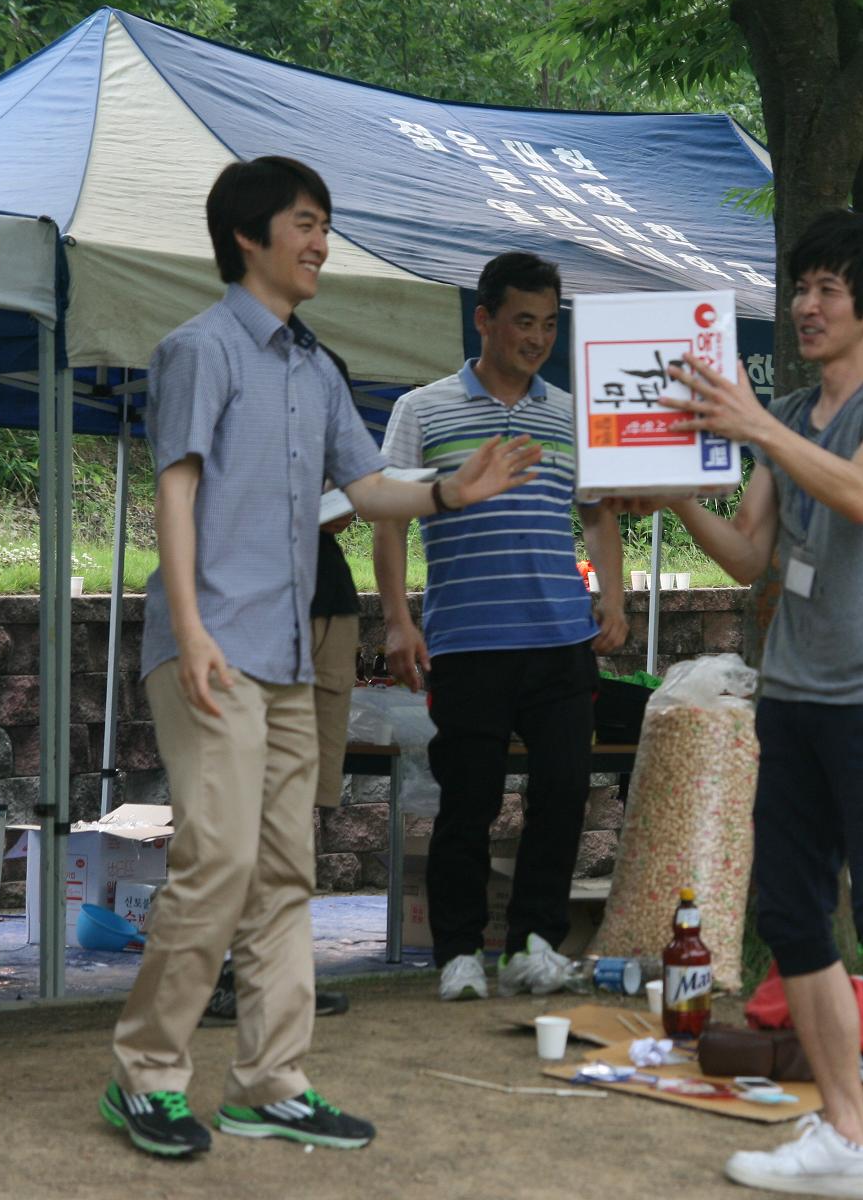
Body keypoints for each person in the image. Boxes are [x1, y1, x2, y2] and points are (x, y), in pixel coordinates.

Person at [102, 156, 540, 1160]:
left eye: (325, 224)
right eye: (305, 222)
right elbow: (176, 490)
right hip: (212, 646)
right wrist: (191, 629)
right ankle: (145, 1076)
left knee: (283, 872)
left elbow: (367, 485)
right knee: (217, 862)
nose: (321, 242)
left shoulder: (315, 366)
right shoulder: (200, 349)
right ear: (247, 235)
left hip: (290, 656)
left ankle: (270, 1083)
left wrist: (450, 492)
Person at [644, 210, 863, 1200]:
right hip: (793, 697)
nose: (805, 306)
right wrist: (673, 493)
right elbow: (748, 556)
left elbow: (861, 492)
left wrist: (759, 430)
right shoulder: (783, 413)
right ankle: (846, 1134)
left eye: (827, 290)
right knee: (789, 912)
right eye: (799, 287)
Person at [373, 251, 627, 1003]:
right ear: (484, 320)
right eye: (523, 321)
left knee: (564, 792)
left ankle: (534, 946)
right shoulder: (422, 410)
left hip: (560, 640)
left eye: (548, 324)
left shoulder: (570, 412)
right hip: (466, 642)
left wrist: (614, 597)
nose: (538, 338)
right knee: (468, 800)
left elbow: (597, 514)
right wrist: (397, 621)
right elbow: (387, 520)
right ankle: (456, 952)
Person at [200, 340, 356, 1028]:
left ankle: (279, 972)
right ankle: (219, 971)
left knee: (302, 805)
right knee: (244, 801)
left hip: (329, 609)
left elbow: (352, 502)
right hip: (252, 616)